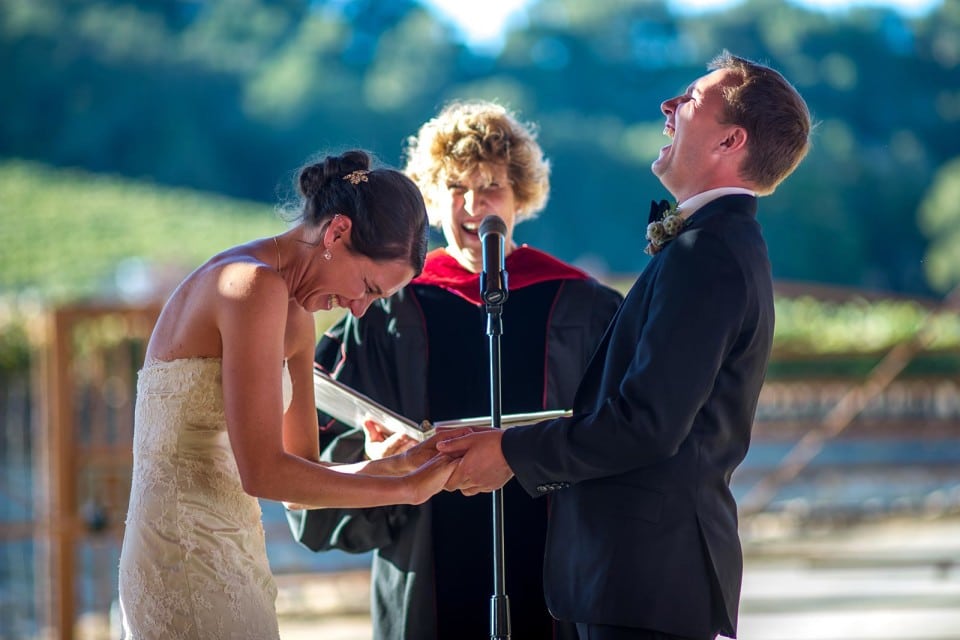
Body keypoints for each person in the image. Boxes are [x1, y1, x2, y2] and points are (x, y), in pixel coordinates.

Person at [437, 51, 813, 640]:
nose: (668, 106)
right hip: (640, 577)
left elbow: (647, 424)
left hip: (645, 580)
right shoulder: (716, 243)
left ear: (730, 140)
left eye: (689, 100)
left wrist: (512, 451)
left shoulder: (708, 253)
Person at [286, 101, 623, 639]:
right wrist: (375, 457)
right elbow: (320, 429)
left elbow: (620, 432)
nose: (472, 205)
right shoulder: (386, 307)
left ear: (521, 197)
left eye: (491, 187)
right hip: (425, 566)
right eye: (456, 188)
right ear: (432, 195)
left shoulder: (581, 305)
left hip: (553, 566)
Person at [117, 150, 465, 640]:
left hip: (236, 551)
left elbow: (301, 476)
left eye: (375, 299)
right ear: (337, 233)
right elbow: (262, 472)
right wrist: (404, 491)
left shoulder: (296, 318)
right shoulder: (250, 284)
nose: (360, 310)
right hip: (181, 554)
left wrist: (396, 465)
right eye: (366, 286)